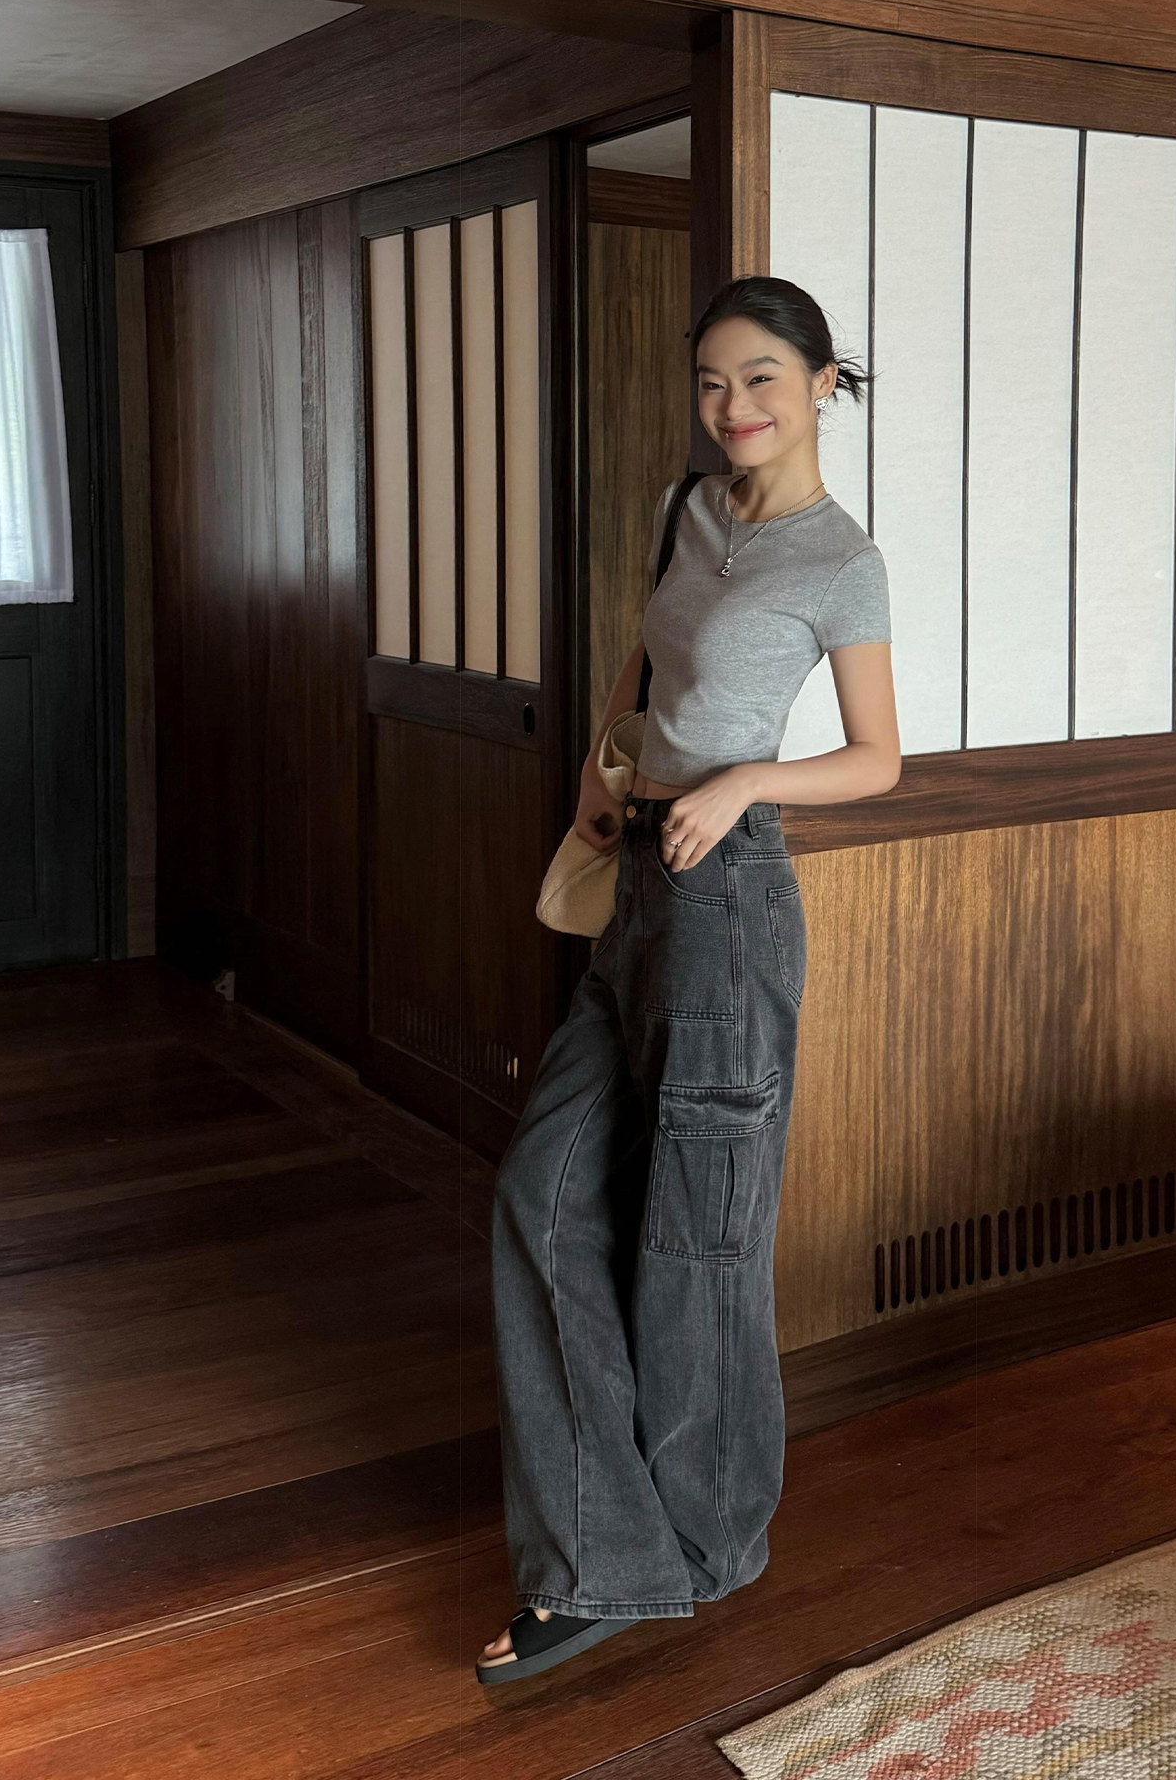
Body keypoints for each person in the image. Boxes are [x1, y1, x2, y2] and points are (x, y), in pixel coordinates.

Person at [476, 275, 901, 1683]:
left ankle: (699, 1547)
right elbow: (644, 662)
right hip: (641, 891)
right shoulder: (690, 511)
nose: (735, 407)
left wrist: (744, 783)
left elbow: (878, 759)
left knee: (697, 1237)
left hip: (730, 898)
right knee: (545, 1193)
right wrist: (602, 777)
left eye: (763, 377)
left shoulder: (841, 561)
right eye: (714, 381)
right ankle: (613, 1547)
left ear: (823, 383)